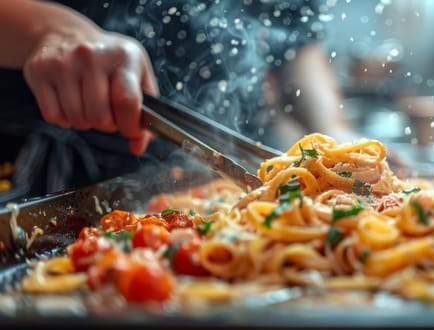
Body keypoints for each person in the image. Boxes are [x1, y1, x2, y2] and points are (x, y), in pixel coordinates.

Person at [0, 0, 354, 199]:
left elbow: (297, 37)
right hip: (51, 159)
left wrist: (335, 135)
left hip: (239, 157)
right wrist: (47, 28)